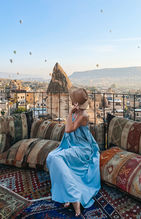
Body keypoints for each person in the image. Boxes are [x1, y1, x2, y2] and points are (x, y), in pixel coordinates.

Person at [46, 87, 101, 217]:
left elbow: (68, 129)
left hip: (83, 149)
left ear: (75, 102)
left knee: (56, 158)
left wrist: (70, 112)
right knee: (51, 156)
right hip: (73, 146)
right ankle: (66, 193)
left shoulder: (83, 115)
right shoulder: (78, 113)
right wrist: (72, 112)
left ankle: (74, 196)